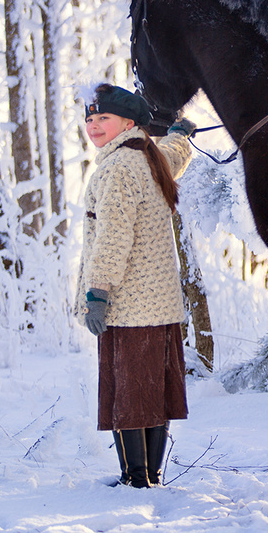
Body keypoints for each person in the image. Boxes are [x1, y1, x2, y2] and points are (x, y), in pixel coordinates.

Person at [78, 83, 195, 488]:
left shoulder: (117, 168)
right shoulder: (147, 156)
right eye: (89, 119)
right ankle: (151, 475)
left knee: (129, 395)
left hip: (126, 303)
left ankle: (136, 479)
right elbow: (173, 156)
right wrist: (181, 136)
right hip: (159, 305)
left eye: (103, 118)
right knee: (152, 392)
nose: (93, 126)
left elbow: (112, 236)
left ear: (128, 123)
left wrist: (98, 293)